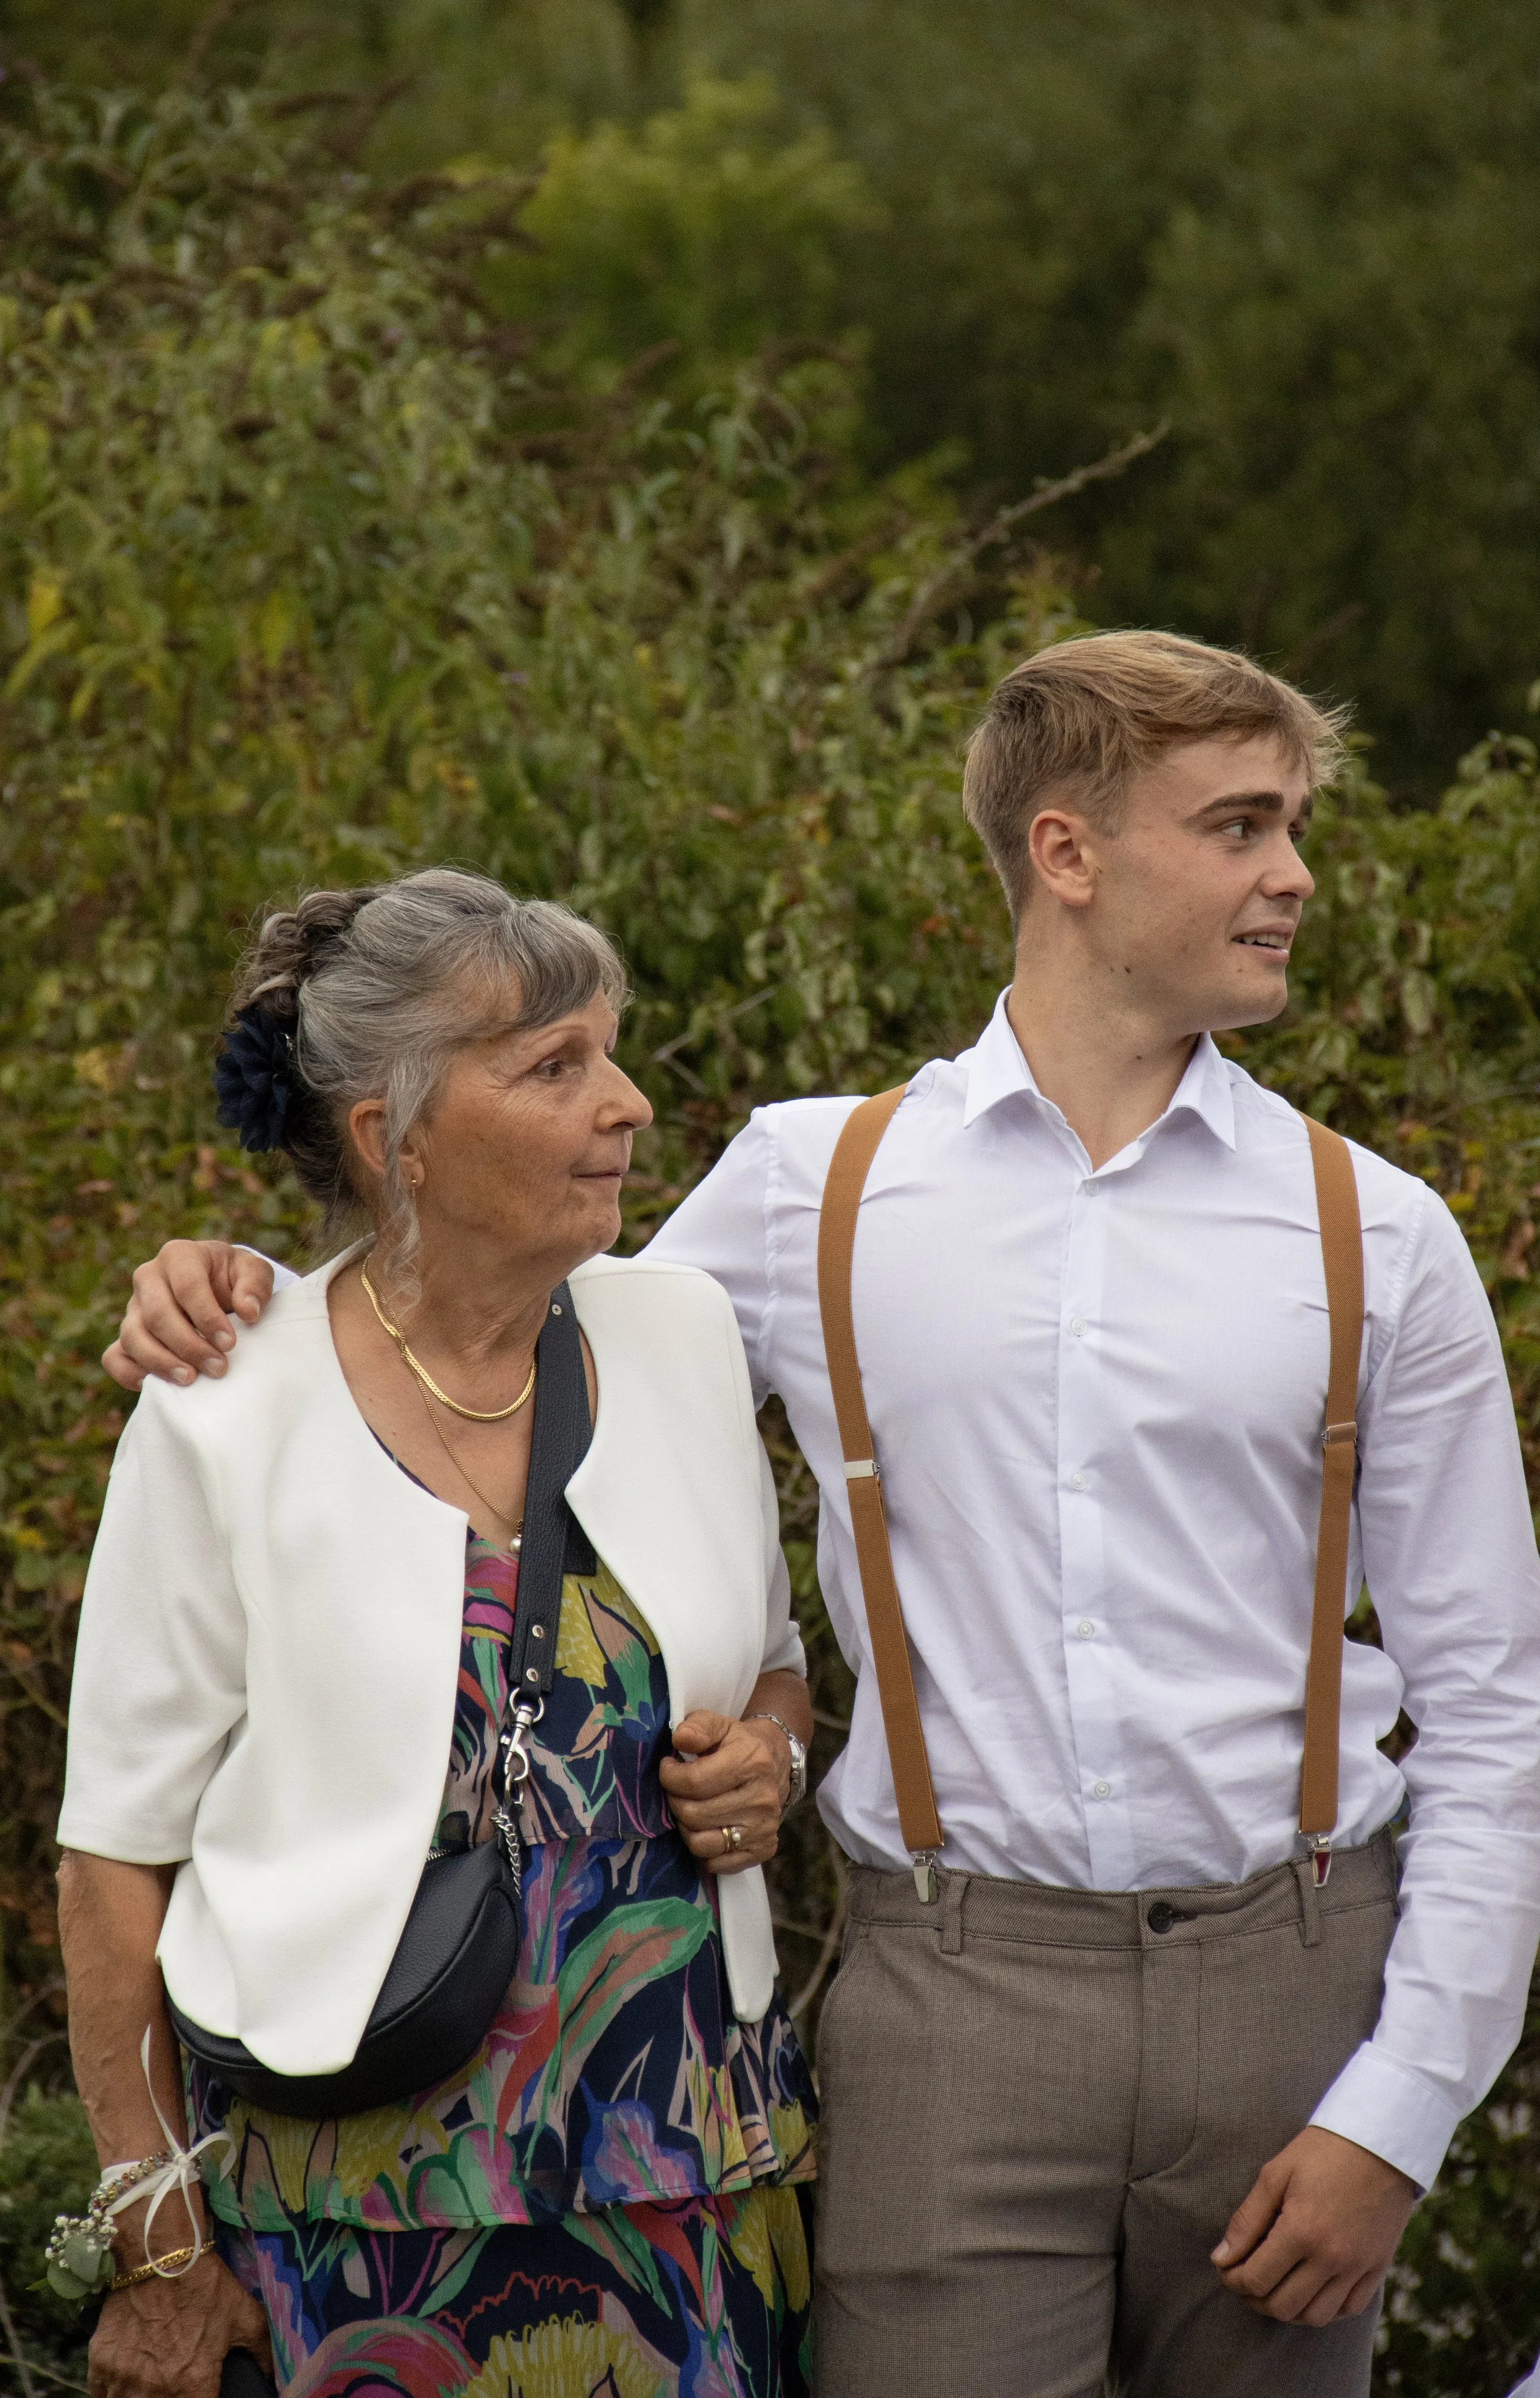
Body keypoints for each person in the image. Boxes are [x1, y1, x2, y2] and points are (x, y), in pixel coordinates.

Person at [107, 634, 1540, 2398]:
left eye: (1292, 824)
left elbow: (1494, 1709)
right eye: (1239, 824)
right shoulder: (811, 1186)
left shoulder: (1376, 1234)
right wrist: (236, 1292)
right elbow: (492, 1332)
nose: (1294, 871)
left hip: (1294, 1991)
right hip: (954, 2001)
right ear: (1067, 852)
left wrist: (1399, 2107)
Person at [62, 870, 816, 2398]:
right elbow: (111, 1859)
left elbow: (774, 1668)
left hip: (688, 2166)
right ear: (387, 1132)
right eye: (553, 1066)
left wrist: (770, 1760)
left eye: (610, 1050)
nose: (626, 1105)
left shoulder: (677, 1335)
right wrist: (155, 2236)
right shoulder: (226, 1399)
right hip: (353, 2203)